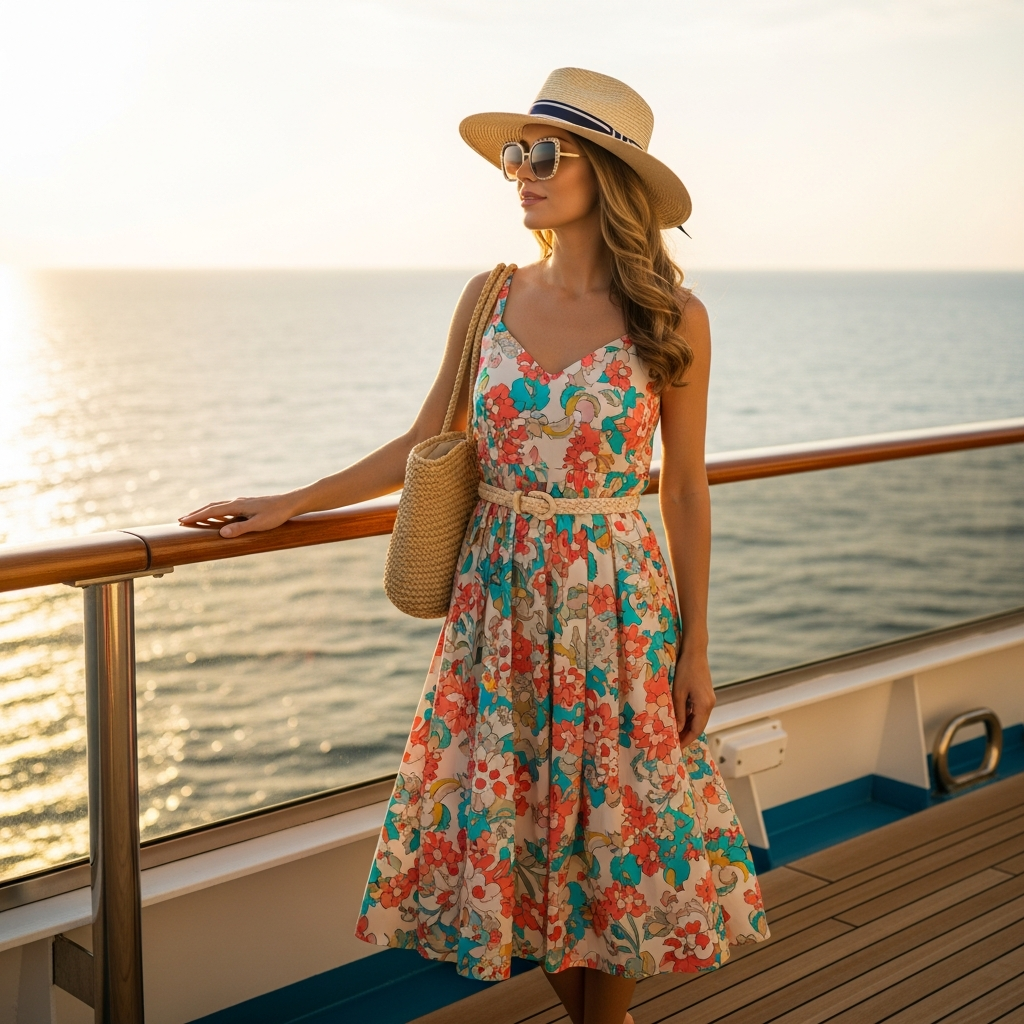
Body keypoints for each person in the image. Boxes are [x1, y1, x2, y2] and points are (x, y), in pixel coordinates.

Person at [180, 67, 768, 1024]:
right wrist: (291, 500)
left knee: (609, 838)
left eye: (541, 154)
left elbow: (687, 489)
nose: (519, 173)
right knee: (522, 828)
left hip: (618, 609)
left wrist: (698, 646)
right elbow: (427, 442)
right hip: (496, 607)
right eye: (514, 154)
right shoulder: (490, 295)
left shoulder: (674, 318)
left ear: (606, 175)